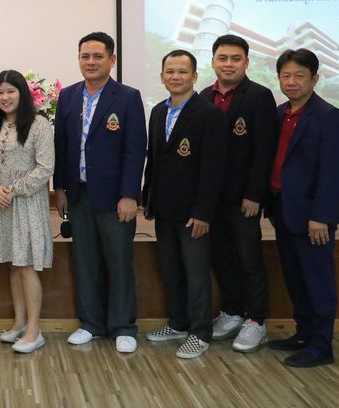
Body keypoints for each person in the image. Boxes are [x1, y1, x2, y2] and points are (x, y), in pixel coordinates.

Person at [53, 32, 146, 354]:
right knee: (85, 261)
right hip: (78, 194)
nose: (90, 62)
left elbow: (135, 149)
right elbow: (61, 146)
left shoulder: (128, 97)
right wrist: (60, 188)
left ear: (112, 59)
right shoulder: (68, 96)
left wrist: (129, 194)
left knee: (119, 262)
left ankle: (124, 326)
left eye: (97, 56)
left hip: (115, 196)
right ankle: (91, 323)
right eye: (85, 56)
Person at [267, 49, 339, 368]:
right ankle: (303, 334)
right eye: (285, 75)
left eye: (299, 76)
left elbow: (333, 172)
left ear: (314, 79)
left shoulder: (328, 116)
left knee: (317, 281)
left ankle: (321, 346)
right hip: (283, 210)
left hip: (313, 217)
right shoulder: (279, 113)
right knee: (296, 278)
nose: (292, 81)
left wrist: (321, 216)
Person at [141, 50, 225, 359]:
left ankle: (200, 332)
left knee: (196, 273)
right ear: (162, 77)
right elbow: (154, 160)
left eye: (182, 71)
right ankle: (177, 323)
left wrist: (203, 212)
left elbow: (214, 169)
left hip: (193, 214)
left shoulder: (209, 114)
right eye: (170, 71)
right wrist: (148, 199)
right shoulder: (157, 112)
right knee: (172, 270)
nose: (175, 77)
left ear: (195, 76)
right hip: (164, 209)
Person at [200, 35, 277, 352]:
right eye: (222, 58)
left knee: (249, 258)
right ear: (212, 62)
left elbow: (264, 150)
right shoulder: (204, 96)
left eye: (235, 58)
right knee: (220, 256)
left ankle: (256, 320)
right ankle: (233, 311)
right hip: (212, 198)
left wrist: (254, 194)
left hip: (244, 198)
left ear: (246, 62)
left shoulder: (259, 96)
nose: (228, 64)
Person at [0, 69, 55, 354]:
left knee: (26, 265)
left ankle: (35, 331)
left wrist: (12, 189)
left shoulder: (38, 124)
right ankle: (20, 322)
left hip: (26, 202)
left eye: (11, 91)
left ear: (22, 93)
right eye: (0, 92)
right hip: (0, 202)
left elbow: (45, 167)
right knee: (13, 264)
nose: (5, 97)